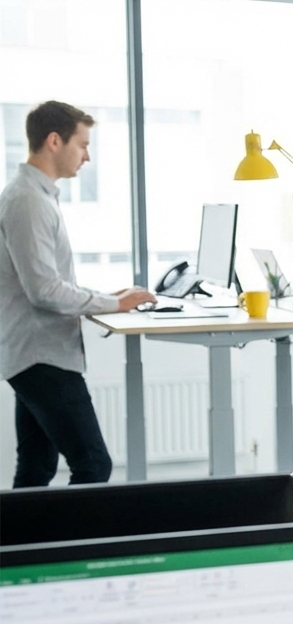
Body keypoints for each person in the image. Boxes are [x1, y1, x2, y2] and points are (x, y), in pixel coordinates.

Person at [0, 100, 155, 487]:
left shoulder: (36, 196)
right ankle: (78, 549)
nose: (87, 156)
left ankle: (24, 547)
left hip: (37, 353)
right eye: (82, 145)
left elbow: (47, 280)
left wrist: (106, 296)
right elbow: (44, 291)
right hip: (42, 356)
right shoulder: (27, 201)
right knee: (93, 464)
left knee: (36, 467)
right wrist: (113, 304)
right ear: (54, 141)